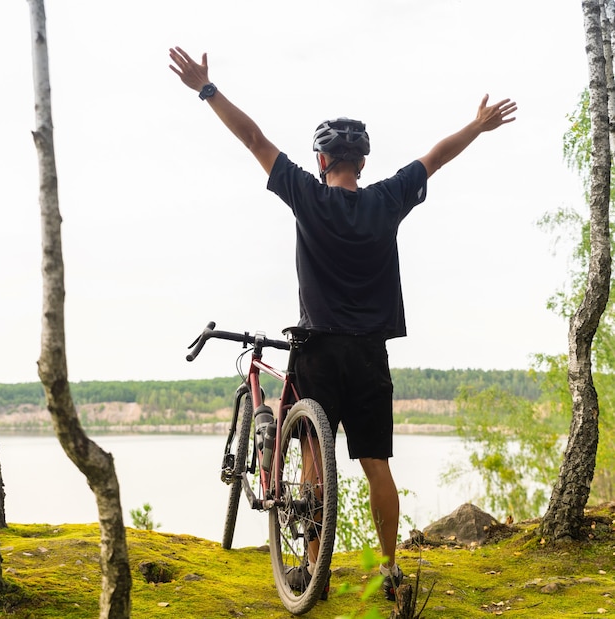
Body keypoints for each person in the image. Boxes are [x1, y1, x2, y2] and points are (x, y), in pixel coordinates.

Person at [169, 46, 517, 602]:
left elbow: (255, 140)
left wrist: (207, 90)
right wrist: (477, 125)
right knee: (376, 463)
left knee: (312, 453)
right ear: (362, 163)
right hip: (370, 353)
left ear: (324, 163)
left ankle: (313, 567)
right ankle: (389, 568)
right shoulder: (387, 199)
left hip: (319, 349)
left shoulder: (308, 195)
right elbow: (436, 158)